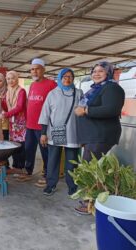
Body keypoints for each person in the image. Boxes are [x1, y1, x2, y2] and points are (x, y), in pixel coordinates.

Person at [74, 61, 125, 214]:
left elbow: (111, 109)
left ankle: (90, 203)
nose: (96, 73)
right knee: (92, 168)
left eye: (100, 71)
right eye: (94, 71)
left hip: (101, 136)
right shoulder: (97, 89)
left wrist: (86, 110)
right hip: (93, 137)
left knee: (90, 170)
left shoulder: (112, 88)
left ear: (108, 73)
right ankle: (93, 200)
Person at [39, 68, 82, 196]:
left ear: (73, 78)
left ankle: (72, 186)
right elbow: (45, 114)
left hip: (73, 131)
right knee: (53, 159)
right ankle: (51, 184)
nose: (67, 79)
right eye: (64, 77)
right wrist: (43, 132)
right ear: (60, 78)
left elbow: (84, 113)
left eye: (70, 77)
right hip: (57, 130)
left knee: (71, 160)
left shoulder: (79, 93)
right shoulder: (53, 93)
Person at [24, 58, 57, 186]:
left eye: (37, 69)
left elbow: (55, 105)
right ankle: (28, 171)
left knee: (45, 151)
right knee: (29, 148)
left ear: (43, 70)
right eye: (32, 69)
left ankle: (47, 174)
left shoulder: (51, 84)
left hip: (43, 126)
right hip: (30, 125)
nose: (34, 71)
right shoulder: (32, 85)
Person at [1, 71, 27, 173]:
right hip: (12, 122)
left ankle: (20, 167)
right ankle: (15, 166)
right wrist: (2, 100)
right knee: (14, 144)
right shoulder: (8, 92)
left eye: (13, 78)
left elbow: (20, 107)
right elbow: (6, 107)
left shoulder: (21, 91)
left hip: (21, 122)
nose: (10, 81)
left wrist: (6, 115)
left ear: (17, 79)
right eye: (8, 79)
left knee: (20, 145)